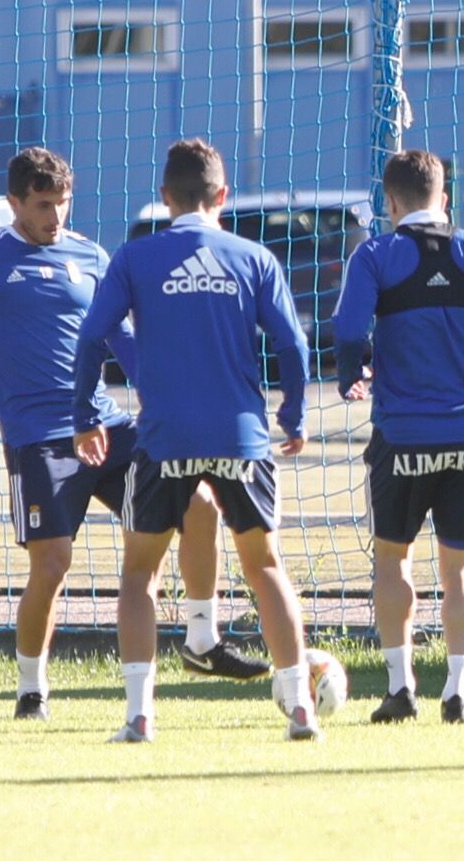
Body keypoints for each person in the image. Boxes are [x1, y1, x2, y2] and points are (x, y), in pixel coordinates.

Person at [0, 147, 264, 723]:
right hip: (41, 439)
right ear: (14, 204)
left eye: (63, 204)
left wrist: (157, 388)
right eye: (43, 205)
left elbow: (120, 339)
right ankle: (31, 688)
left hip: (107, 425)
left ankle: (202, 639)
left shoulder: (92, 255)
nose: (55, 217)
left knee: (201, 501)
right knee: (52, 566)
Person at [72, 137, 317, 741]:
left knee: (139, 574)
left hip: (164, 440)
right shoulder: (254, 258)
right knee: (264, 567)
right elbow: (295, 344)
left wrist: (85, 413)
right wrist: (296, 412)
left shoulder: (136, 258)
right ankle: (300, 707)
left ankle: (140, 715)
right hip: (241, 438)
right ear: (222, 197)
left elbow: (91, 337)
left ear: (165, 198)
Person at [333, 149, 464, 724]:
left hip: (402, 435)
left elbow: (348, 329)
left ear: (391, 202)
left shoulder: (374, 254)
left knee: (393, 562)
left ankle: (401, 689)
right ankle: (459, 692)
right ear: (443, 198)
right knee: (462, 570)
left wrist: (352, 374)